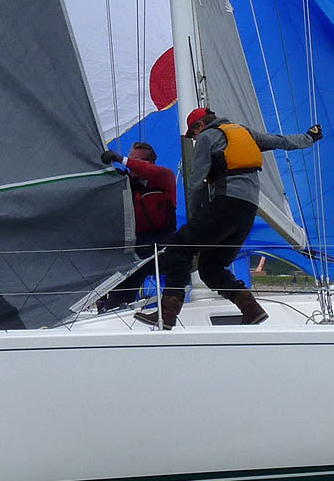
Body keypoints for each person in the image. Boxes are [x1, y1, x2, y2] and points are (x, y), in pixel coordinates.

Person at [136, 108, 321, 329]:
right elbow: (281, 141)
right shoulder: (245, 132)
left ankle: (167, 315)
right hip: (248, 211)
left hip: (226, 204)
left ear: (200, 126)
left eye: (192, 134)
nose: (194, 139)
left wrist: (195, 216)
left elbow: (196, 183)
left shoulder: (206, 137)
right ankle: (251, 310)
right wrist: (309, 138)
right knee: (210, 268)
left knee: (179, 248)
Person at [93, 141, 180, 310]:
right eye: (130, 159)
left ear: (151, 162)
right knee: (119, 291)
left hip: (162, 244)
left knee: (177, 270)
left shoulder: (165, 177)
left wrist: (122, 159)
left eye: (136, 160)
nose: (132, 165)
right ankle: (108, 307)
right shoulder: (124, 183)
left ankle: (172, 307)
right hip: (136, 246)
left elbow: (148, 171)